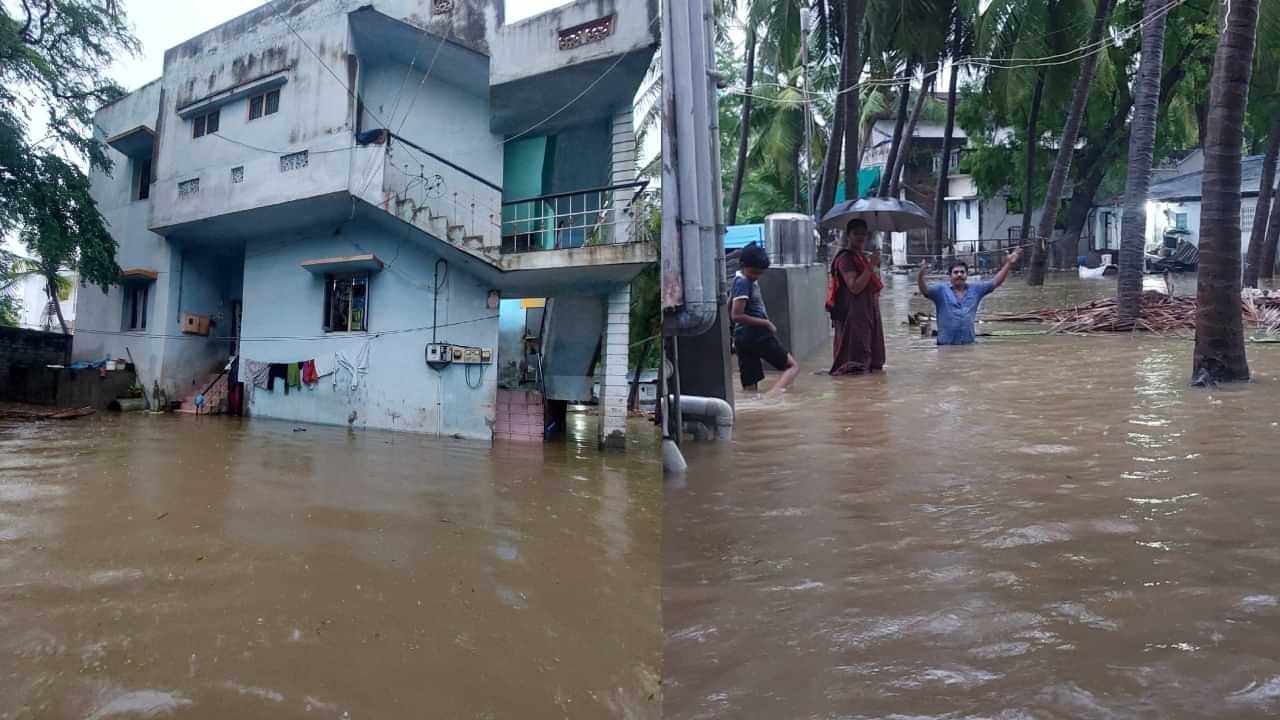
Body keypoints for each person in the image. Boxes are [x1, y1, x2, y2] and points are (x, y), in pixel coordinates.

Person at [730, 244, 800, 395]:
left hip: (742, 338)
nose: (756, 276)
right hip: (757, 334)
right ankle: (771, 398)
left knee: (750, 386)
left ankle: (757, 408)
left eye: (760, 273)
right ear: (743, 265)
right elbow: (736, 315)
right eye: (754, 272)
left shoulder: (739, 280)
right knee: (792, 367)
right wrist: (766, 323)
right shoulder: (743, 283)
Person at [917, 247, 1024, 345]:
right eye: (956, 272)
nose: (959, 274)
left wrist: (1009, 263)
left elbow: (996, 282)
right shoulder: (940, 290)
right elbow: (925, 291)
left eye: (962, 272)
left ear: (967, 275)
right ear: (950, 276)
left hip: (968, 345)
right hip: (945, 346)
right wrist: (920, 276)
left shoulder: (976, 289)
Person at [828, 219, 886, 374]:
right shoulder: (845, 258)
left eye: (863, 233)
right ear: (848, 235)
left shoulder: (861, 257)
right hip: (854, 316)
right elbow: (854, 287)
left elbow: (872, 286)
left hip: (868, 312)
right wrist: (871, 265)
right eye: (856, 233)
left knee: (872, 357)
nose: (860, 237)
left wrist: (874, 265)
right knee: (855, 360)